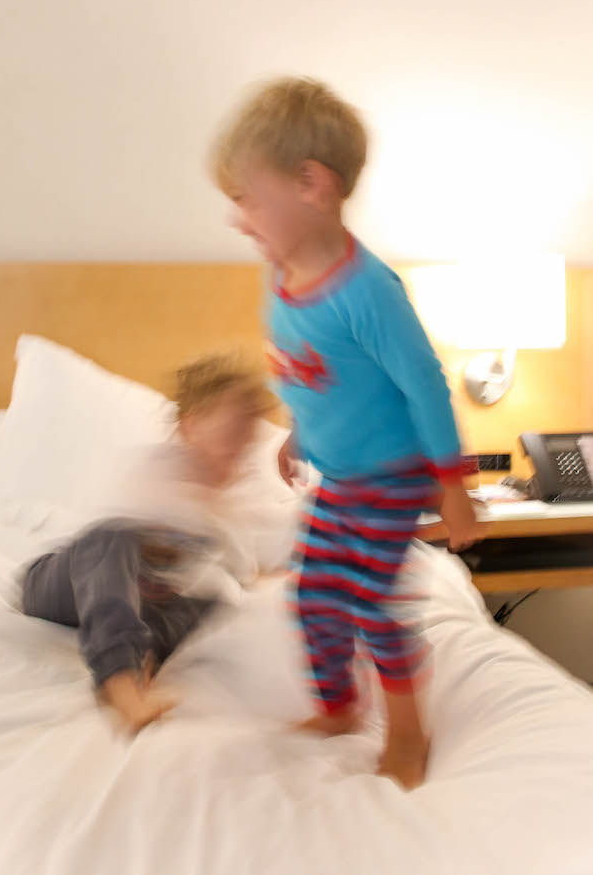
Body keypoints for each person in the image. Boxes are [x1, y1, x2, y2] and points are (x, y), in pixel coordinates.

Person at [210, 76, 487, 788]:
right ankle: (338, 706)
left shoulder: (366, 291)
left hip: (394, 474)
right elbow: (319, 374)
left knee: (370, 600)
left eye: (247, 198)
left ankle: (407, 735)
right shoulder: (280, 275)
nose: (239, 220)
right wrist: (300, 433)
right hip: (342, 475)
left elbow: (423, 383)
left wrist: (454, 486)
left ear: (311, 184)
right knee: (313, 597)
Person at [21, 351, 271, 733]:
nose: (239, 450)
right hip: (61, 584)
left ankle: (146, 655)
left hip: (140, 598)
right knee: (112, 541)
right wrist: (197, 505)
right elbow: (107, 545)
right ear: (190, 428)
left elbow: (242, 573)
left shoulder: (229, 507)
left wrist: (260, 573)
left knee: (214, 601)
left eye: (247, 439)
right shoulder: (155, 470)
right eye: (230, 434)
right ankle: (118, 678)